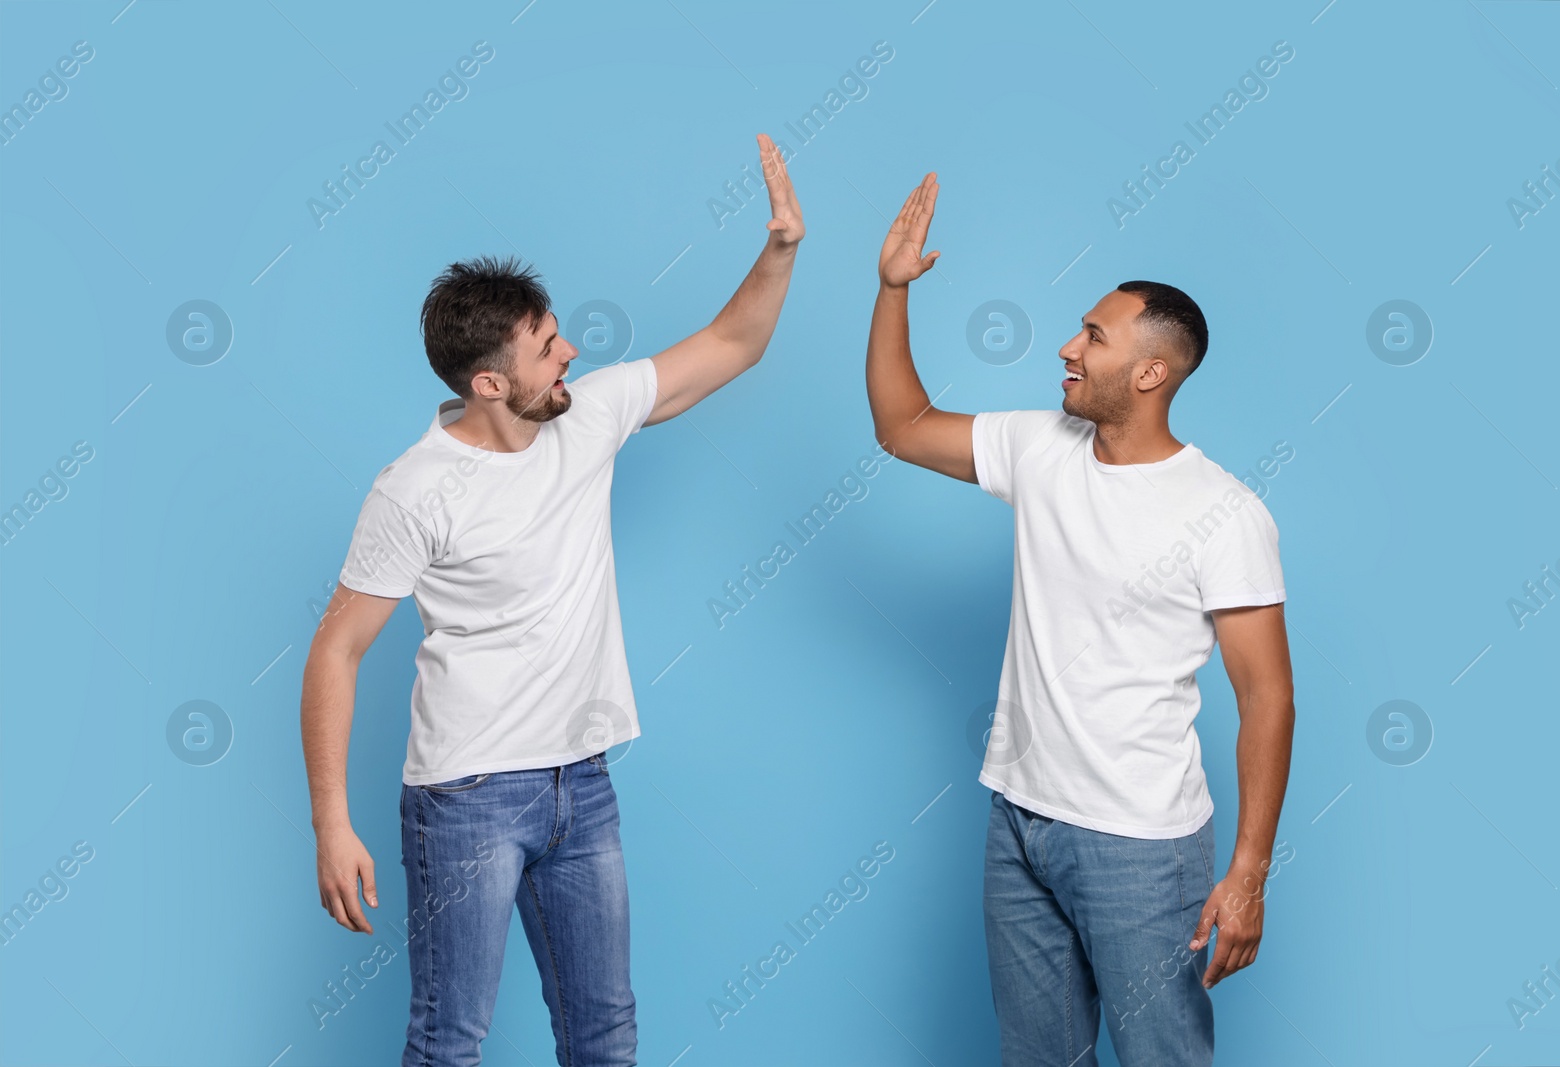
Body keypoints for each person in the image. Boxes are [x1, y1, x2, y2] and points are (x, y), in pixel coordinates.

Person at [299, 133, 804, 1067]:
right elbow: (336, 649)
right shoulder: (413, 489)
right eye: (546, 346)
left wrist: (778, 249)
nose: (572, 349)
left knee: (605, 1037)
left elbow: (734, 343)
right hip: (467, 797)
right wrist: (332, 820)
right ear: (490, 383)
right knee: (449, 1040)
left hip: (585, 782)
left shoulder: (590, 415)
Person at [864, 173, 1295, 1067]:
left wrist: (1248, 874)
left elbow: (1269, 699)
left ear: (1149, 371)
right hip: (1019, 818)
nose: (1067, 346)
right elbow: (902, 425)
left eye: (1092, 337)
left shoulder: (1225, 512)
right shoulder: (1040, 447)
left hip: (1141, 846)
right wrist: (893, 287)